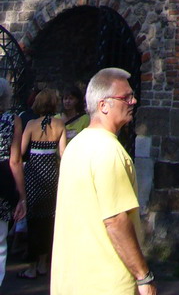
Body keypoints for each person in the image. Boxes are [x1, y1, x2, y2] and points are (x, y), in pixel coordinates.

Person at [50, 68, 156, 295]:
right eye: (126, 97)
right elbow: (116, 220)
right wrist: (143, 275)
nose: (134, 101)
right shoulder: (108, 151)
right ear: (103, 105)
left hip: (71, 282)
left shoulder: (76, 145)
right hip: (106, 284)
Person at [18, 89, 66, 278]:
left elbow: (22, 151)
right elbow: (63, 154)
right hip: (51, 176)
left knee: (33, 220)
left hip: (33, 175)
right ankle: (43, 263)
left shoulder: (31, 124)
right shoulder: (60, 124)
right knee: (48, 219)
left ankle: (31, 266)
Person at [0, 78, 27, 287]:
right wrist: (22, 197)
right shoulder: (13, 120)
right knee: (0, 241)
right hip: (2, 179)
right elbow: (15, 160)